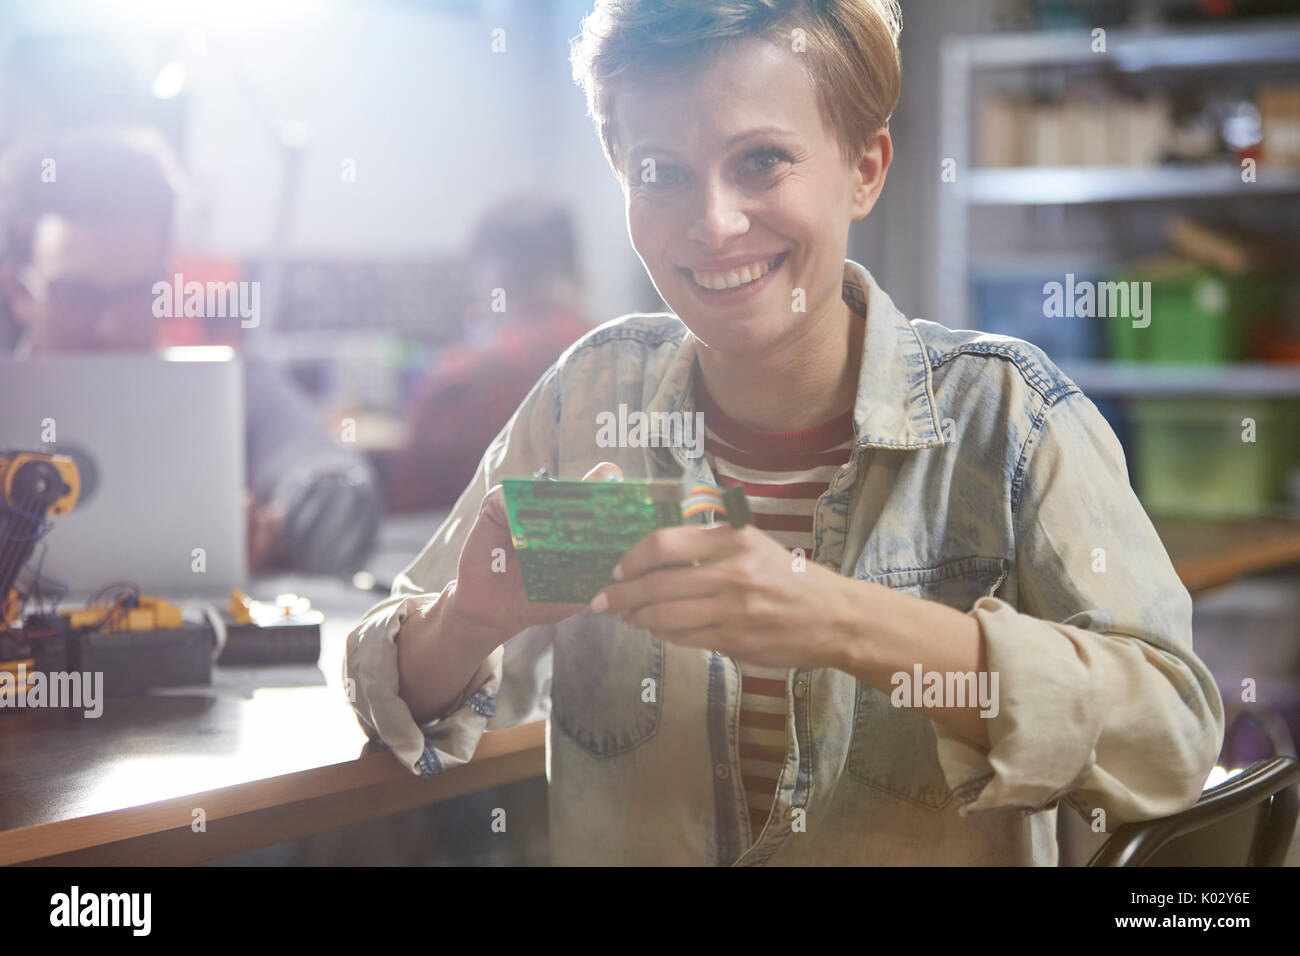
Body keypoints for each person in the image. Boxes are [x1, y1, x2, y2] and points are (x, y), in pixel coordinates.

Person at [345, 0, 1224, 865]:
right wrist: (466, 622)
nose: (713, 222)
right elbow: (395, 693)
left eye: (761, 161)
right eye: (661, 171)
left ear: (865, 168)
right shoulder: (584, 400)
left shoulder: (1009, 418)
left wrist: (842, 619)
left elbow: (1173, 739)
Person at [0, 126, 382, 577]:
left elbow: (328, 477)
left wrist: (280, 524)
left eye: (137, 294)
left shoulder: (226, 383)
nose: (107, 326)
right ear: (16, 288)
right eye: (76, 295)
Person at [384, 198, 593, 512]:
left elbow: (409, 508)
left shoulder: (460, 379)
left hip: (479, 555)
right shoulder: (637, 361)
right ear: (578, 274)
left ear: (496, 283)